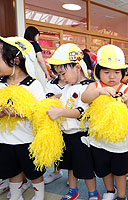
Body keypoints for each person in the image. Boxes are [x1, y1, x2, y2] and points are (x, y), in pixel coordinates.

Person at [46, 43, 98, 200]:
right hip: (66, 133)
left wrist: (59, 112)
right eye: (59, 75)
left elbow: (81, 113)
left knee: (85, 167)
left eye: (63, 73)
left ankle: (92, 193)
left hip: (80, 134)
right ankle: (73, 190)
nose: (62, 78)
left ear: (77, 67)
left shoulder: (89, 86)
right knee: (70, 164)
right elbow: (64, 98)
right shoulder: (69, 85)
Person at [81, 44, 128, 200]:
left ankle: (121, 195)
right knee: (104, 169)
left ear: (122, 72)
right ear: (98, 71)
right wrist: (99, 91)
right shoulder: (94, 86)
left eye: (117, 72)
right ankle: (110, 191)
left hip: (119, 141)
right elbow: (84, 98)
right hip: (99, 139)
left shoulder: (126, 89)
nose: (112, 76)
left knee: (120, 170)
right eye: (107, 72)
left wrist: (125, 103)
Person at [0, 36, 46, 200]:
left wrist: (20, 112)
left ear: (15, 60)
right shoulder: (0, 83)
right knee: (12, 171)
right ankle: (16, 195)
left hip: (27, 140)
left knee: (34, 171)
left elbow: (41, 112)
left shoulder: (33, 85)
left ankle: (38, 196)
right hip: (6, 140)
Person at [43, 71, 67, 184]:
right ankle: (57, 171)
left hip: (71, 122)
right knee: (56, 147)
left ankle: (74, 177)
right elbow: (47, 99)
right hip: (55, 122)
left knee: (72, 149)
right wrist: (63, 96)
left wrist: (57, 97)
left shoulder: (74, 84)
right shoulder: (51, 84)